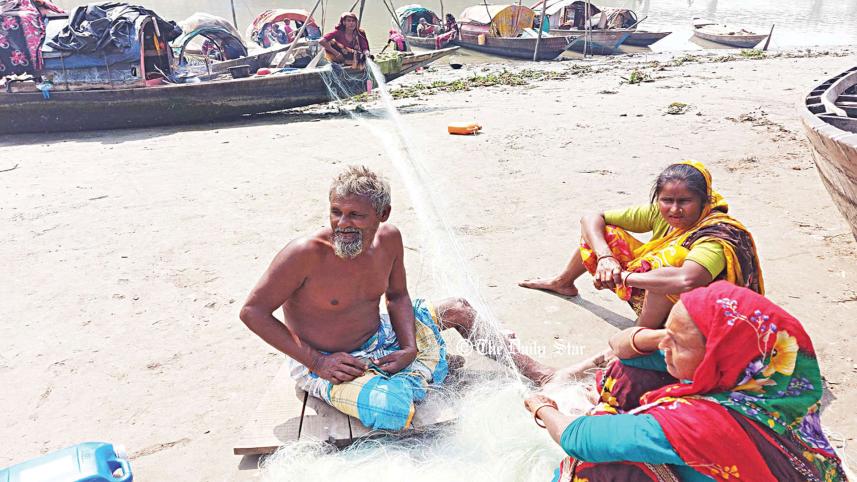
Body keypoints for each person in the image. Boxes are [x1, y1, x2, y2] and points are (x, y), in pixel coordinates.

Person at [240, 166, 551, 431]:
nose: (343, 224)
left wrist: (408, 347)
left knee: (459, 309)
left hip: (380, 338)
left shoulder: (389, 239)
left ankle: (541, 373)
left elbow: (398, 296)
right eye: (336, 212)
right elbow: (252, 312)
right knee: (392, 410)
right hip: (329, 361)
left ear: (382, 214)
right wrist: (317, 361)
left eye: (356, 215)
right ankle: (426, 369)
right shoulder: (304, 253)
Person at [525, 281, 848, 481]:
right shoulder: (776, 380)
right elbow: (622, 347)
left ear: (716, 358)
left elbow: (580, 438)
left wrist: (543, 408)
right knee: (634, 367)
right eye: (667, 332)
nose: (665, 344)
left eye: (678, 342)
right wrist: (668, 335)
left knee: (602, 469)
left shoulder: (701, 424)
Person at [520, 160, 763, 330]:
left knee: (672, 261)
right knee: (604, 234)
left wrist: (622, 278)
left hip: (694, 314)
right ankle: (563, 282)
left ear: (704, 201)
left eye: (685, 201)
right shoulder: (659, 213)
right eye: (667, 200)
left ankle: (643, 329)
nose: (674, 209)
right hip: (652, 290)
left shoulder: (717, 235)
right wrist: (605, 258)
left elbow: (687, 280)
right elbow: (591, 218)